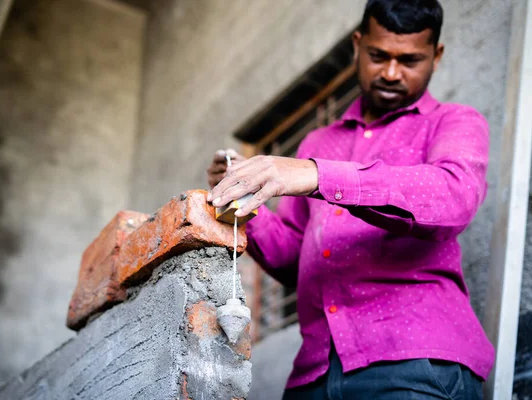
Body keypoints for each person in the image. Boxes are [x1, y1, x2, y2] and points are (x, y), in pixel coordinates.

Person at [206, 0, 494, 399]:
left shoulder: (454, 121)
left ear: (437, 55)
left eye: (410, 60)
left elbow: (453, 196)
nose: (392, 73)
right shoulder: (318, 142)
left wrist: (316, 175)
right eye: (379, 56)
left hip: (415, 364)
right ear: (358, 45)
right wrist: (246, 198)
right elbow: (293, 261)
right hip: (314, 373)